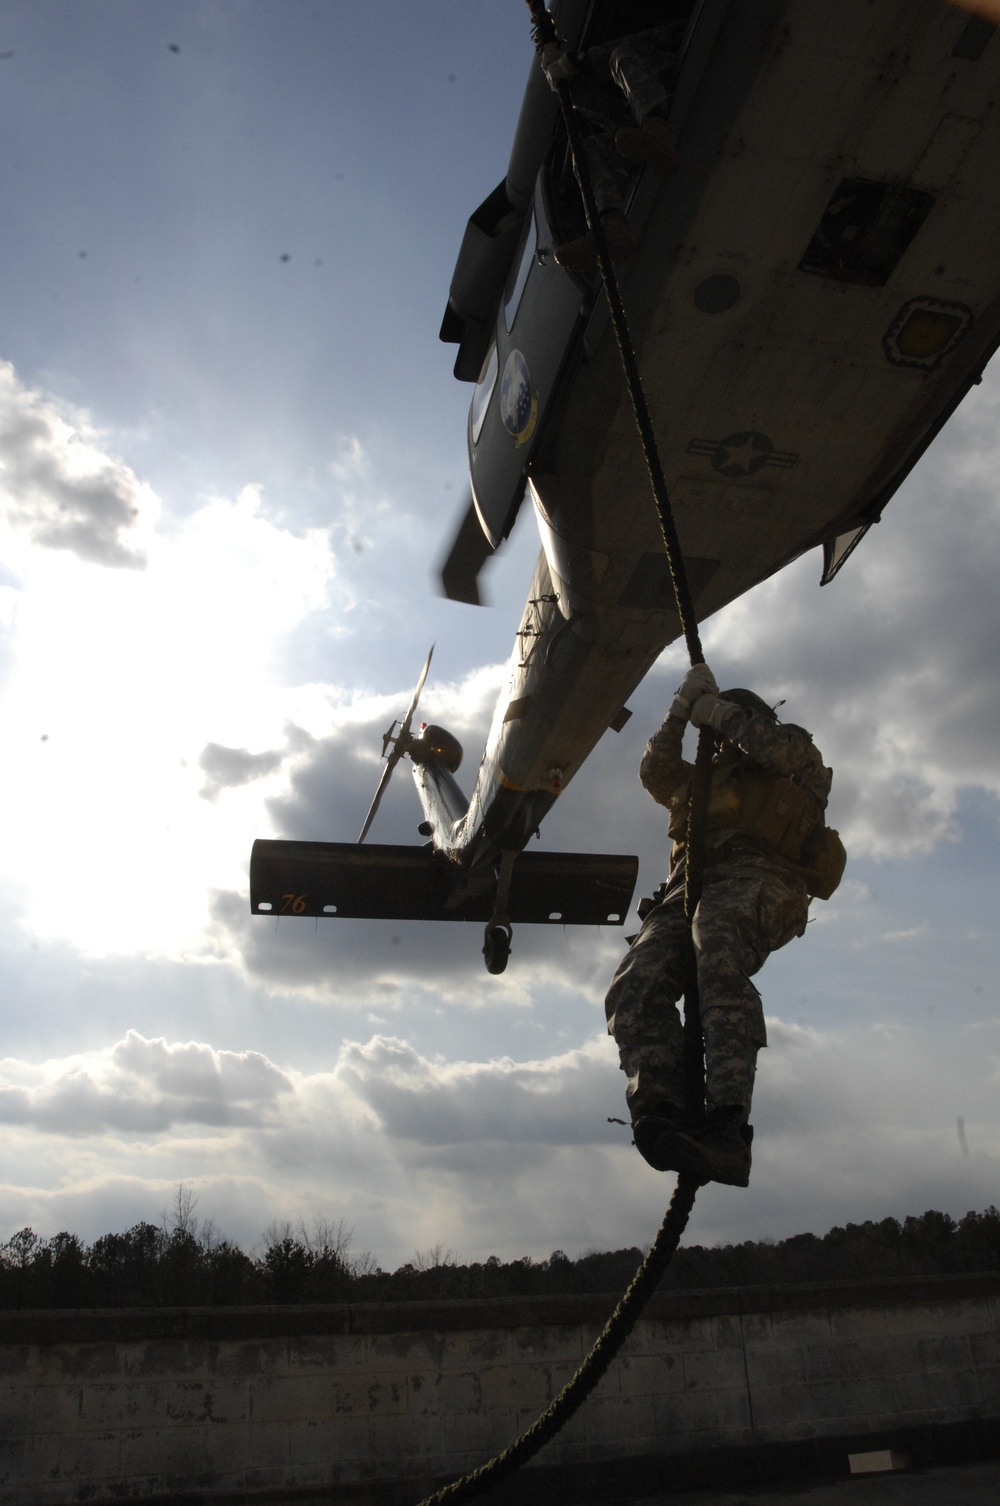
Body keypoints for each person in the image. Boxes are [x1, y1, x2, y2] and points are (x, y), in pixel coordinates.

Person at [604, 663, 841, 1187]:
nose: (722, 747)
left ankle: (728, 1126)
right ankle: (661, 1107)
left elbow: (772, 748)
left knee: (715, 946)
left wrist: (718, 713)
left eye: (729, 734)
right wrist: (679, 712)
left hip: (762, 876)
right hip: (690, 885)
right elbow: (655, 773)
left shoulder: (795, 758)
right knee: (635, 983)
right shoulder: (700, 781)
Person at [540, 23, 681, 270]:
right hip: (636, 129)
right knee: (586, 149)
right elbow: (596, 104)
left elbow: (656, 37)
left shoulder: (659, 37)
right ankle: (609, 228)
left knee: (620, 57)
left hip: (668, 84)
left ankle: (656, 132)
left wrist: (577, 61)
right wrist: (562, 81)